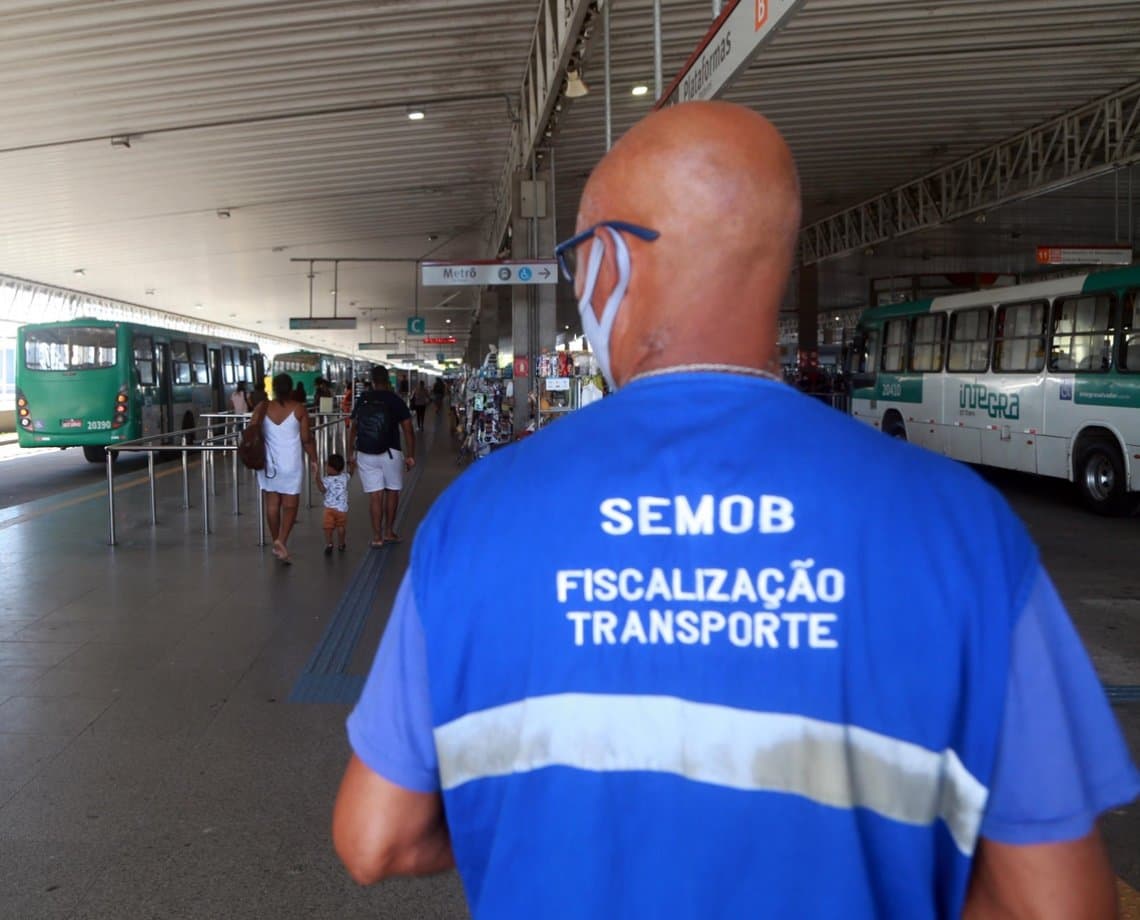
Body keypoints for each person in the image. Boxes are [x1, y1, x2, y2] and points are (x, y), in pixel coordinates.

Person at [332, 102, 1139, 918]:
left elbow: (375, 837)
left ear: (608, 263)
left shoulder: (476, 519)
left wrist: (499, 826)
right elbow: (1060, 908)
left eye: (578, 260)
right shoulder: (965, 528)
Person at [252, 372, 317, 565]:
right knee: (290, 504)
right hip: (292, 464)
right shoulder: (299, 409)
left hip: (268, 464)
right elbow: (306, 439)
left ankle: (275, 541)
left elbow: (251, 429)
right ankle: (282, 539)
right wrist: (314, 458)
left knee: (272, 505)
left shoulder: (262, 407)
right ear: (290, 389)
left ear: (273, 388)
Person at [347, 365, 415, 548]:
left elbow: (353, 427)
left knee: (375, 496)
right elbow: (408, 429)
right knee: (392, 491)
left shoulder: (364, 399)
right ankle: (389, 532)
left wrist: (349, 454)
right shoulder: (395, 400)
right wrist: (410, 456)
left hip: (365, 452)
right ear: (388, 380)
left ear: (372, 380)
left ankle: (376, 537)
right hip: (391, 453)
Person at [312, 452, 350, 555]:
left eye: (327, 465)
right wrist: (353, 464)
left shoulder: (327, 480)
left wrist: (316, 477)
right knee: (341, 527)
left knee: (328, 527)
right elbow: (351, 473)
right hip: (342, 509)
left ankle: (329, 544)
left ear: (331, 468)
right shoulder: (344, 477)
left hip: (329, 509)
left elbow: (322, 489)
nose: (326, 467)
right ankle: (341, 544)